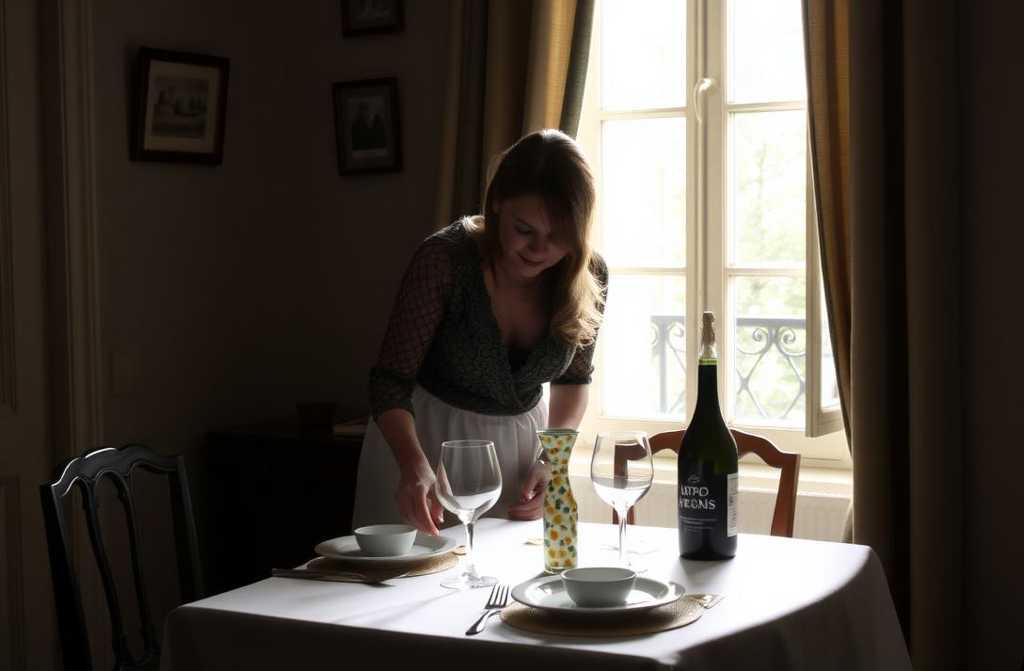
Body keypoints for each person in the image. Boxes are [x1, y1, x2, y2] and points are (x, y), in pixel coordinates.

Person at [352, 129, 608, 535]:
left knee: (505, 592)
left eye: (558, 236)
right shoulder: (445, 261)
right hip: (427, 448)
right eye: (525, 229)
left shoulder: (589, 274)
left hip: (521, 459)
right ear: (498, 204)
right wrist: (413, 465)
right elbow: (389, 382)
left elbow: (573, 380)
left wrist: (552, 461)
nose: (539, 249)